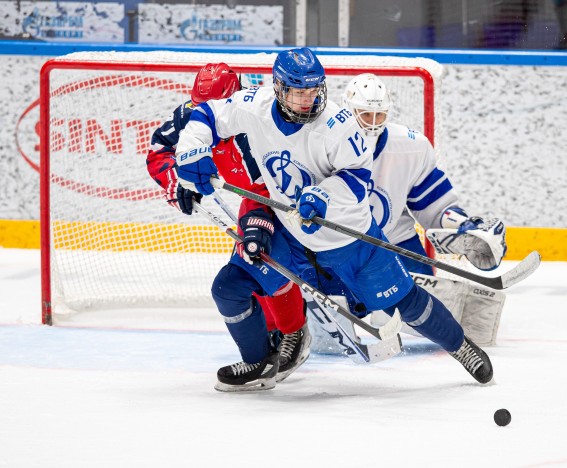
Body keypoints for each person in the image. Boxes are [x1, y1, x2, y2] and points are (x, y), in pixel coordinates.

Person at [175, 47, 494, 392]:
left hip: (351, 239)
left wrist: (323, 195)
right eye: (299, 92)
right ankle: (258, 361)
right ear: (279, 89)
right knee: (229, 287)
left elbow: (359, 177)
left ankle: (461, 347)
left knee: (407, 301)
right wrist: (191, 151)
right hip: (292, 234)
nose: (308, 100)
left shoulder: (337, 125)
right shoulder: (254, 106)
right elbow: (206, 114)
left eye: (314, 91)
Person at [304, 73, 507, 348]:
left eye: (379, 115)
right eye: (365, 114)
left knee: (423, 310)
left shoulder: (410, 147)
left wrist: (462, 225)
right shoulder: (321, 142)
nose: (372, 123)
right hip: (337, 247)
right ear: (347, 111)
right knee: (327, 327)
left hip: (394, 242)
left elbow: (433, 203)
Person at [145, 62, 310, 385]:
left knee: (266, 261)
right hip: (252, 196)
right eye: (197, 105)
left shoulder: (258, 117)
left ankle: (294, 332)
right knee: (253, 262)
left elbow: (274, 181)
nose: (201, 113)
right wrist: (175, 181)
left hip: (284, 197)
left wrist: (259, 219)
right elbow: (159, 150)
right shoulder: (193, 113)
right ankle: (272, 339)